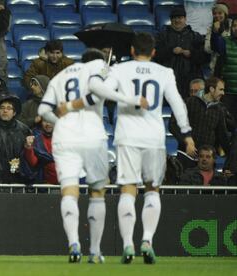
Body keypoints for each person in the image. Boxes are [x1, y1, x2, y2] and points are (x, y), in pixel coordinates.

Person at [55, 34, 196, 264]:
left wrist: (118, 91)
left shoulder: (119, 70)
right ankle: (147, 240)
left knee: (128, 190)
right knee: (152, 189)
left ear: (132, 50)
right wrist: (187, 134)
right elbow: (178, 104)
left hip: (127, 137)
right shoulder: (164, 72)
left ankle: (128, 243)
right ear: (153, 52)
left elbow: (97, 89)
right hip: (154, 138)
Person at [38, 48, 149, 263]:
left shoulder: (60, 76)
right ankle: (96, 251)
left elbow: (43, 110)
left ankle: (73, 243)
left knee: (69, 191)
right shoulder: (97, 67)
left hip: (64, 138)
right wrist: (128, 99)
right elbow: (98, 90)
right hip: (92, 136)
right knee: (97, 193)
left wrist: (61, 121)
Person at [169, 77, 230, 162]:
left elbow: (222, 136)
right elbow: (173, 124)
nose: (223, 93)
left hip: (206, 159)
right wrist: (186, 142)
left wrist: (231, 158)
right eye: (221, 89)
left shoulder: (219, 109)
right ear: (212, 89)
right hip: (186, 155)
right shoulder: (188, 102)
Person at [155, 6, 205, 99]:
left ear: (185, 19)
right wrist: (171, 51)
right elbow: (155, 55)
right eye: (174, 18)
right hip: (168, 81)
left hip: (190, 81)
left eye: (180, 18)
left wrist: (191, 53)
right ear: (170, 20)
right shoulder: (162, 36)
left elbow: (204, 57)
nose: (177, 20)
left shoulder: (195, 36)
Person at [211, 18, 237, 121]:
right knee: (227, 125)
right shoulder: (225, 41)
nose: (236, 28)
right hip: (227, 93)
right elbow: (215, 45)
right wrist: (215, 33)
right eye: (234, 26)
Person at [21, 118, 57, 184]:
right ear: (41, 123)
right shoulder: (35, 139)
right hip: (43, 184)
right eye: (45, 121)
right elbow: (33, 163)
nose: (48, 124)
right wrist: (29, 148)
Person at [205, 3, 232, 74]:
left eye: (220, 13)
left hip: (231, 65)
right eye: (214, 13)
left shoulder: (233, 26)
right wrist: (215, 33)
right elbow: (207, 49)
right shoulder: (210, 29)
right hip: (215, 67)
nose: (217, 16)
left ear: (225, 14)